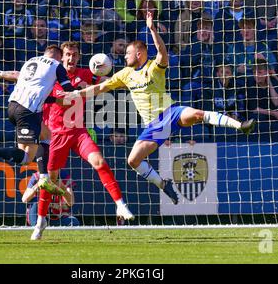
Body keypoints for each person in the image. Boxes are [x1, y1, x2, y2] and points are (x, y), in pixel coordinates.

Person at [63, 12, 256, 205]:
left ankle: (241, 126)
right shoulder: (124, 74)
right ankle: (164, 184)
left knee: (198, 114)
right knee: (133, 161)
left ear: (139, 53)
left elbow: (162, 53)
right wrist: (75, 95)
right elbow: (100, 87)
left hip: (170, 113)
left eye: (128, 53)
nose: (125, 56)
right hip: (155, 126)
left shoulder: (153, 67)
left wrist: (153, 30)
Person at [31, 41, 134, 240]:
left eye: (75, 55)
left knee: (100, 162)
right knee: (50, 181)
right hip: (57, 135)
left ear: (79, 57)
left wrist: (105, 74)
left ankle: (120, 205)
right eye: (68, 54)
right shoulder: (51, 77)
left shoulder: (86, 74)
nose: (71, 58)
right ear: (62, 57)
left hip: (79, 132)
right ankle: (41, 220)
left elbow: (105, 81)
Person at [0, 45, 76, 196]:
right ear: (59, 57)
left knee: (45, 135)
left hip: (12, 107)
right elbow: (69, 91)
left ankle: (43, 177)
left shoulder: (31, 61)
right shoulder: (57, 66)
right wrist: (81, 92)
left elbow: (16, 75)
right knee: (27, 158)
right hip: (28, 111)